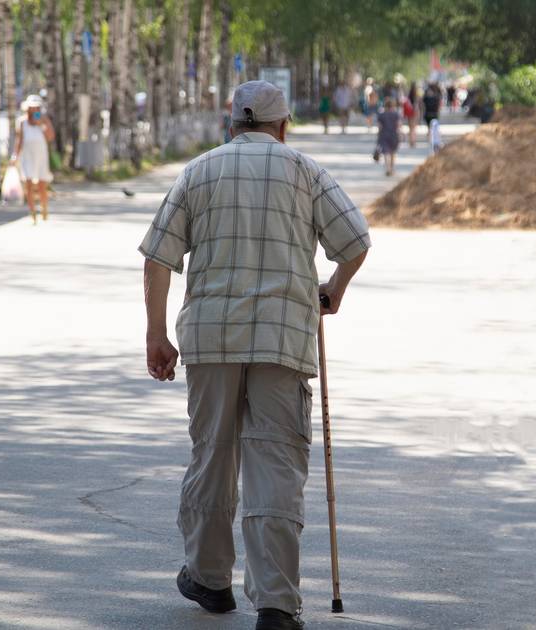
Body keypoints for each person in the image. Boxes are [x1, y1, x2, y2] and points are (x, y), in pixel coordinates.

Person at [139, 80, 370, 630]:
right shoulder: (305, 171)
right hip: (282, 341)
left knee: (212, 457)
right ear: (283, 125)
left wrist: (156, 335)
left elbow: (158, 260)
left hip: (212, 342)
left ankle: (210, 580)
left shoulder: (199, 171)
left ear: (232, 124)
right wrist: (333, 290)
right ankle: (276, 603)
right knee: (275, 466)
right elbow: (356, 241)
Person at [12, 94, 55, 224]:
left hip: (41, 155)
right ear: (28, 108)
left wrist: (41, 124)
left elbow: (50, 137)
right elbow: (19, 140)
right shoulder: (22, 121)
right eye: (32, 107)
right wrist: (15, 156)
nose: (34, 110)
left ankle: (44, 209)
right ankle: (32, 214)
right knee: (29, 184)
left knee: (42, 185)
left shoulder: (43, 120)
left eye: (36, 107)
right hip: (27, 155)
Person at [376, 95, 401, 176]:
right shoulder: (396, 114)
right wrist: (400, 134)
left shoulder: (381, 115)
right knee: (393, 153)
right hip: (394, 135)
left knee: (386, 153)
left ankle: (388, 168)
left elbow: (379, 127)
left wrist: (378, 135)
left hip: (384, 135)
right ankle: (392, 169)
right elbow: (398, 125)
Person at [403, 84, 418, 149]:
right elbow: (417, 106)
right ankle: (413, 141)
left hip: (409, 114)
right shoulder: (416, 96)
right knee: (413, 129)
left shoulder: (409, 96)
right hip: (414, 114)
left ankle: (410, 141)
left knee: (410, 128)